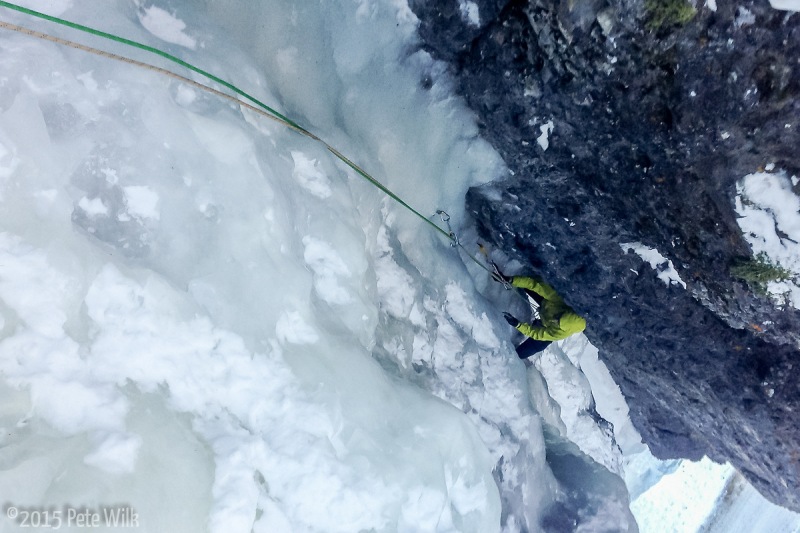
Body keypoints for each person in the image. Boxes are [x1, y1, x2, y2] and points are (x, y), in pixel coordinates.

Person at [493, 268, 586, 359]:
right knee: (530, 285)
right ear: (565, 311)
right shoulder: (560, 302)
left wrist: (517, 324)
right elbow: (535, 285)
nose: (555, 318)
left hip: (545, 328)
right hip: (545, 305)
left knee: (522, 353)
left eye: (557, 322)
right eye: (559, 316)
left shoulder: (560, 333)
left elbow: (536, 333)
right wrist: (510, 280)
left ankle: (512, 359)